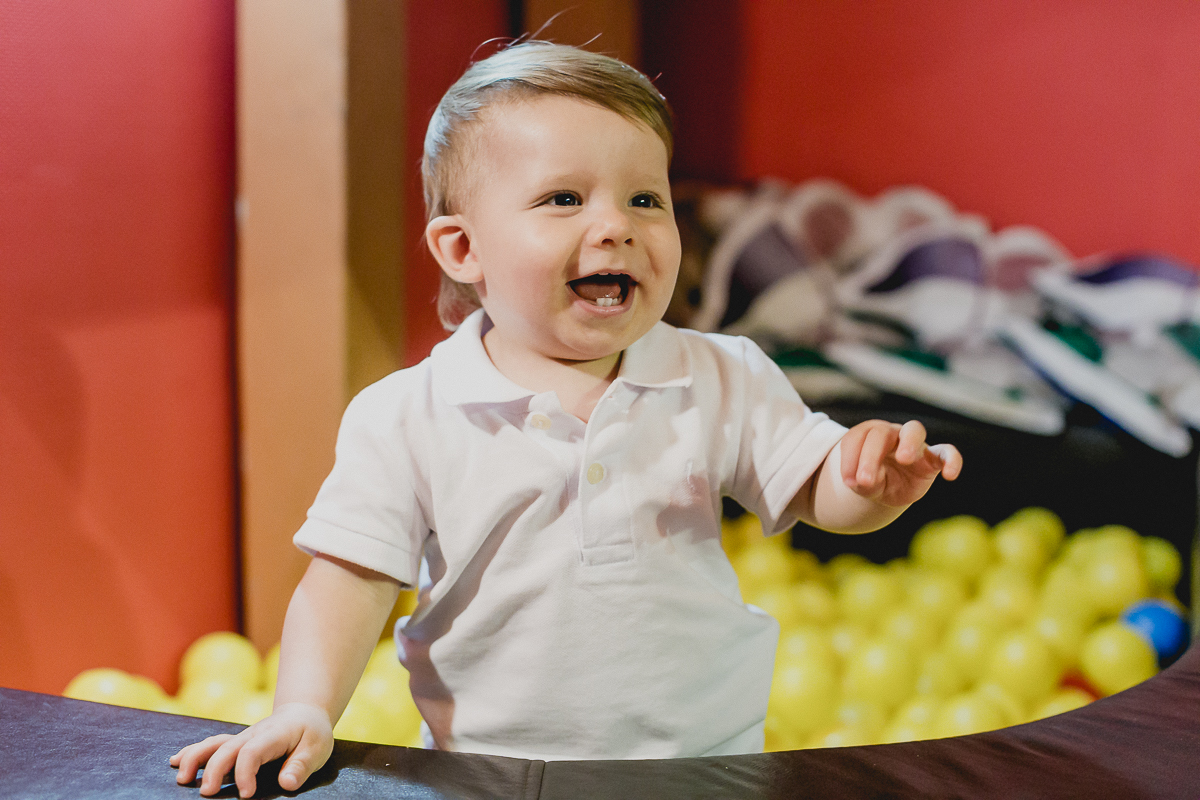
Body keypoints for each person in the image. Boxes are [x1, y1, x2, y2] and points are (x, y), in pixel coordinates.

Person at [172, 40, 962, 798]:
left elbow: (817, 488)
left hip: (703, 769)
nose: (618, 225)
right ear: (462, 249)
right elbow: (348, 579)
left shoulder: (720, 374)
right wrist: (304, 708)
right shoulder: (407, 414)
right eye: (564, 199)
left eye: (645, 199)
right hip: (492, 777)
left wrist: (870, 482)